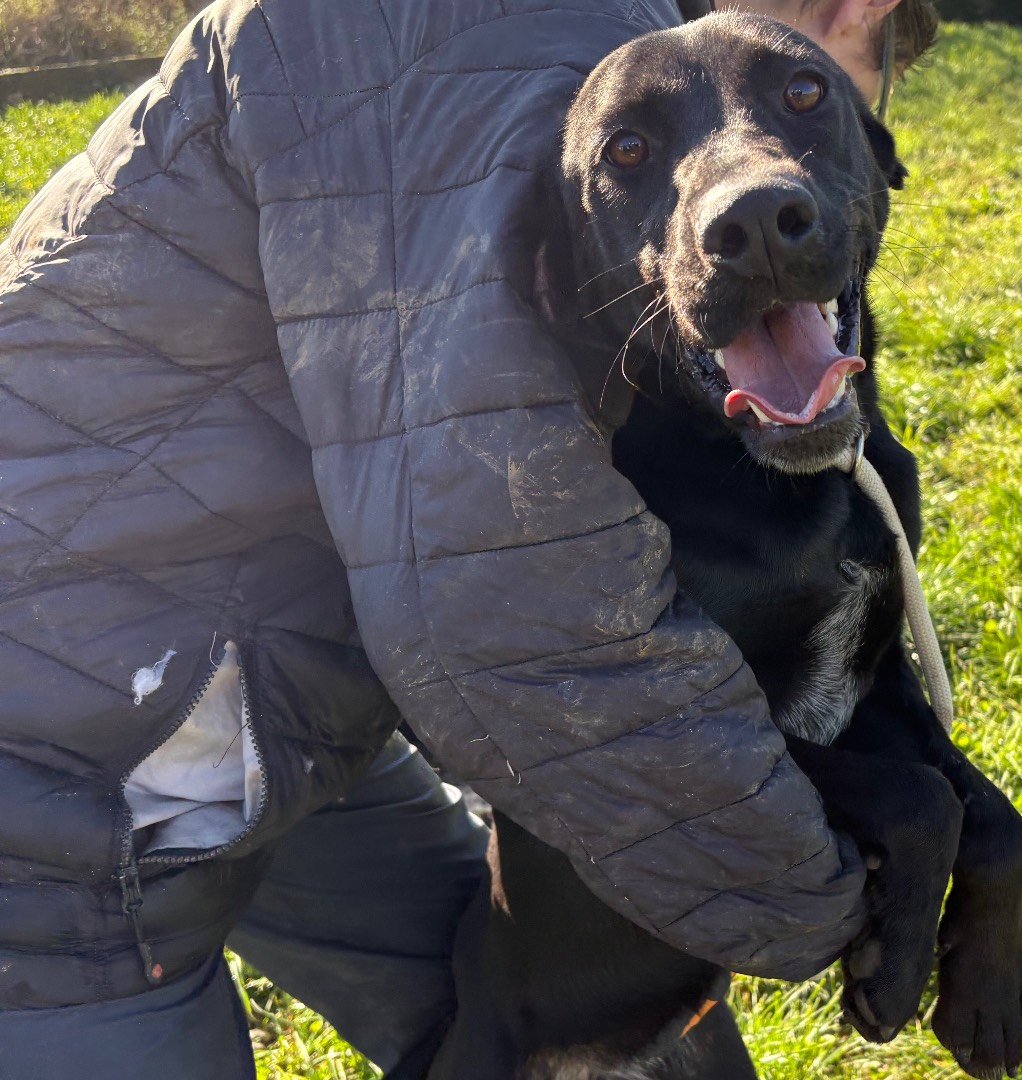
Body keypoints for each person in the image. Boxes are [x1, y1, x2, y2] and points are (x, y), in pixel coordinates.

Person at [0, 0, 938, 1075]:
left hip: (276, 690)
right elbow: (511, 627)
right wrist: (844, 903)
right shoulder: (489, 32)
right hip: (56, 770)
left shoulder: (599, 50)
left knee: (521, 1008)